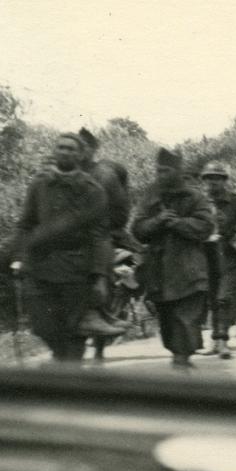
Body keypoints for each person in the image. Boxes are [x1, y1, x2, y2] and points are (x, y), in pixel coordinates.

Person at [11, 132, 112, 363]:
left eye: (71, 149)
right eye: (61, 147)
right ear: (54, 151)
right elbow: (25, 224)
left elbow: (100, 236)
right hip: (40, 266)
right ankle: (62, 359)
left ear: (81, 155)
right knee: (42, 325)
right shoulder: (39, 184)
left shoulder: (92, 189)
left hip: (76, 269)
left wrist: (100, 276)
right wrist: (18, 257)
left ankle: (70, 374)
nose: (65, 152)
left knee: (74, 328)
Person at [133, 148, 213, 369]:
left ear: (178, 171)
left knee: (186, 318)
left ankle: (182, 358)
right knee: (167, 322)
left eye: (166, 170)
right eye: (158, 171)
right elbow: (137, 229)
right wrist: (158, 220)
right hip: (159, 270)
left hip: (189, 268)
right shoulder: (150, 196)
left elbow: (206, 226)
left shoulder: (194, 197)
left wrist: (177, 223)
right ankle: (179, 355)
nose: (161, 175)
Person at [77, 127, 135, 358]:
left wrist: (98, 227)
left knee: (104, 281)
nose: (79, 153)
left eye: (84, 148)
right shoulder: (65, 173)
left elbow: (121, 213)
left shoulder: (105, 175)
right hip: (70, 238)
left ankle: (99, 346)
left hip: (101, 236)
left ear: (93, 150)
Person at [200, 162, 236, 358]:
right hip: (207, 255)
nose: (212, 183)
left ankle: (222, 340)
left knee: (224, 298)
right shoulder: (200, 201)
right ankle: (214, 340)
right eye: (208, 178)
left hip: (232, 256)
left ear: (224, 181)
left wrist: (235, 231)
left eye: (217, 178)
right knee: (212, 299)